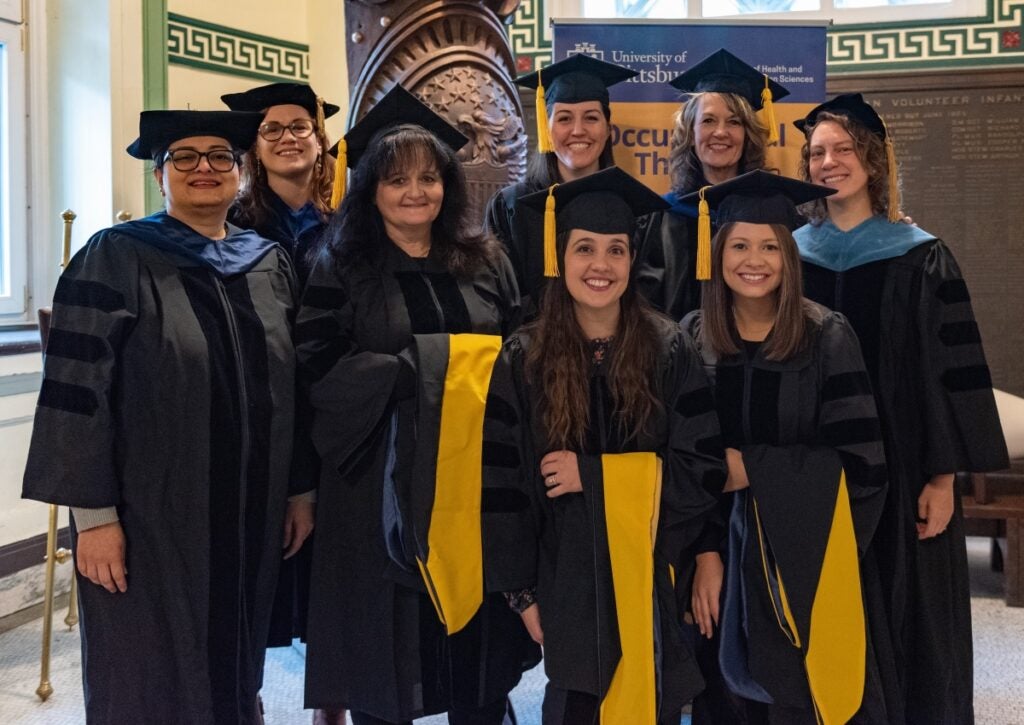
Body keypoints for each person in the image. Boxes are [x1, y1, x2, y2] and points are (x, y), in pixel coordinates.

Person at [21, 110, 310, 724]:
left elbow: (297, 386)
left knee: (237, 653)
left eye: (218, 156)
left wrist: (299, 489)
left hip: (250, 506)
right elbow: (77, 388)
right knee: (145, 660)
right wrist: (93, 517)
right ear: (160, 176)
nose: (203, 168)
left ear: (240, 174)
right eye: (184, 157)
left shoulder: (269, 262)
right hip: (150, 513)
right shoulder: (116, 257)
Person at [297, 85, 537, 725]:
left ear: (448, 186)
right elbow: (318, 366)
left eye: (429, 178)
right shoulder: (341, 263)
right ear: (370, 187)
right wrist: (425, 371)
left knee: (478, 660)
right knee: (389, 655)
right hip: (380, 477)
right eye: (397, 178)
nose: (415, 192)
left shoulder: (485, 259)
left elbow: (519, 346)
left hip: (478, 472)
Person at [482, 166, 726, 724]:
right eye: (585, 249)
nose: (601, 266)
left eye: (616, 251)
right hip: (562, 576)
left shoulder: (669, 351)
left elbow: (702, 468)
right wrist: (521, 592)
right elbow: (501, 482)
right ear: (558, 256)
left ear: (632, 259)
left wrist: (591, 477)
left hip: (654, 576)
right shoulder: (524, 357)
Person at [794, 93, 1009, 724]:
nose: (829, 162)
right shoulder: (790, 253)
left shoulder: (921, 253)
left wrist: (943, 478)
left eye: (843, 149)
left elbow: (949, 374)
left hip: (905, 463)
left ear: (873, 160)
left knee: (908, 609)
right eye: (816, 152)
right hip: (817, 463)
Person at [677, 170, 894, 724]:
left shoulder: (828, 337)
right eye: (740, 245)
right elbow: (683, 462)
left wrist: (754, 468)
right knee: (722, 699)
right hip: (716, 560)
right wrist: (705, 552)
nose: (755, 260)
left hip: (805, 557)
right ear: (717, 253)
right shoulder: (693, 337)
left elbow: (862, 464)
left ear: (790, 256)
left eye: (771, 245)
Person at [634, 49, 788, 320]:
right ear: (690, 134)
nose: (720, 132)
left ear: (747, 135)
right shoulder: (663, 217)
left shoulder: (774, 214)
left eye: (734, 122)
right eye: (708, 121)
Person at [484, 54, 637, 314]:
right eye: (564, 118)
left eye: (591, 118)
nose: (578, 130)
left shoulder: (633, 204)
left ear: (608, 129)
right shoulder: (512, 206)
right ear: (547, 128)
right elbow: (496, 297)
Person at [222, 82, 339, 285]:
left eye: (300, 127)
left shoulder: (344, 221)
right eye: (272, 129)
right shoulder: (231, 222)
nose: (288, 138)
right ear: (257, 148)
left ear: (319, 143)